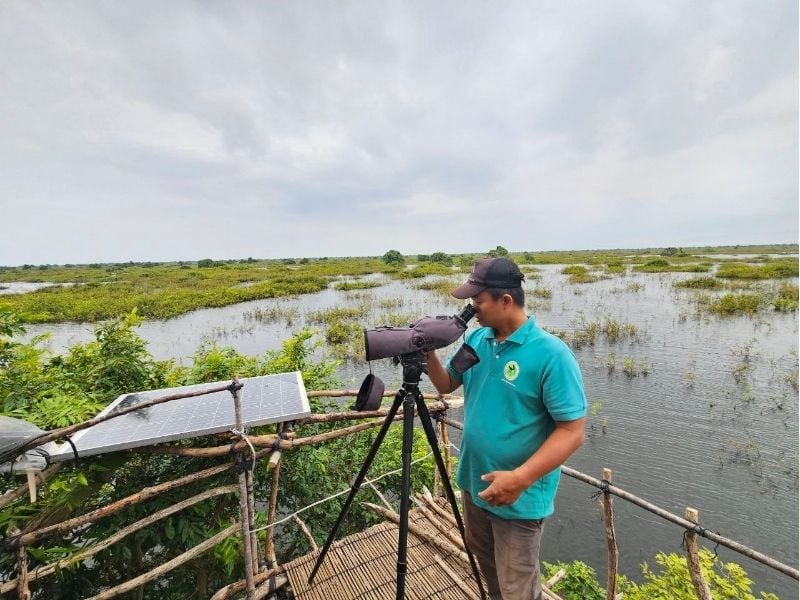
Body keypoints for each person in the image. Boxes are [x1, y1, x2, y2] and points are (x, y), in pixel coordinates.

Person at [425, 257, 587, 600]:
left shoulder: (551, 355)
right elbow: (446, 384)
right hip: (475, 484)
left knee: (518, 588)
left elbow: (572, 431)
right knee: (489, 570)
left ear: (506, 301)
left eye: (478, 301)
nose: (473, 309)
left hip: (518, 496)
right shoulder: (479, 340)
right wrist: (425, 351)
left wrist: (521, 478)